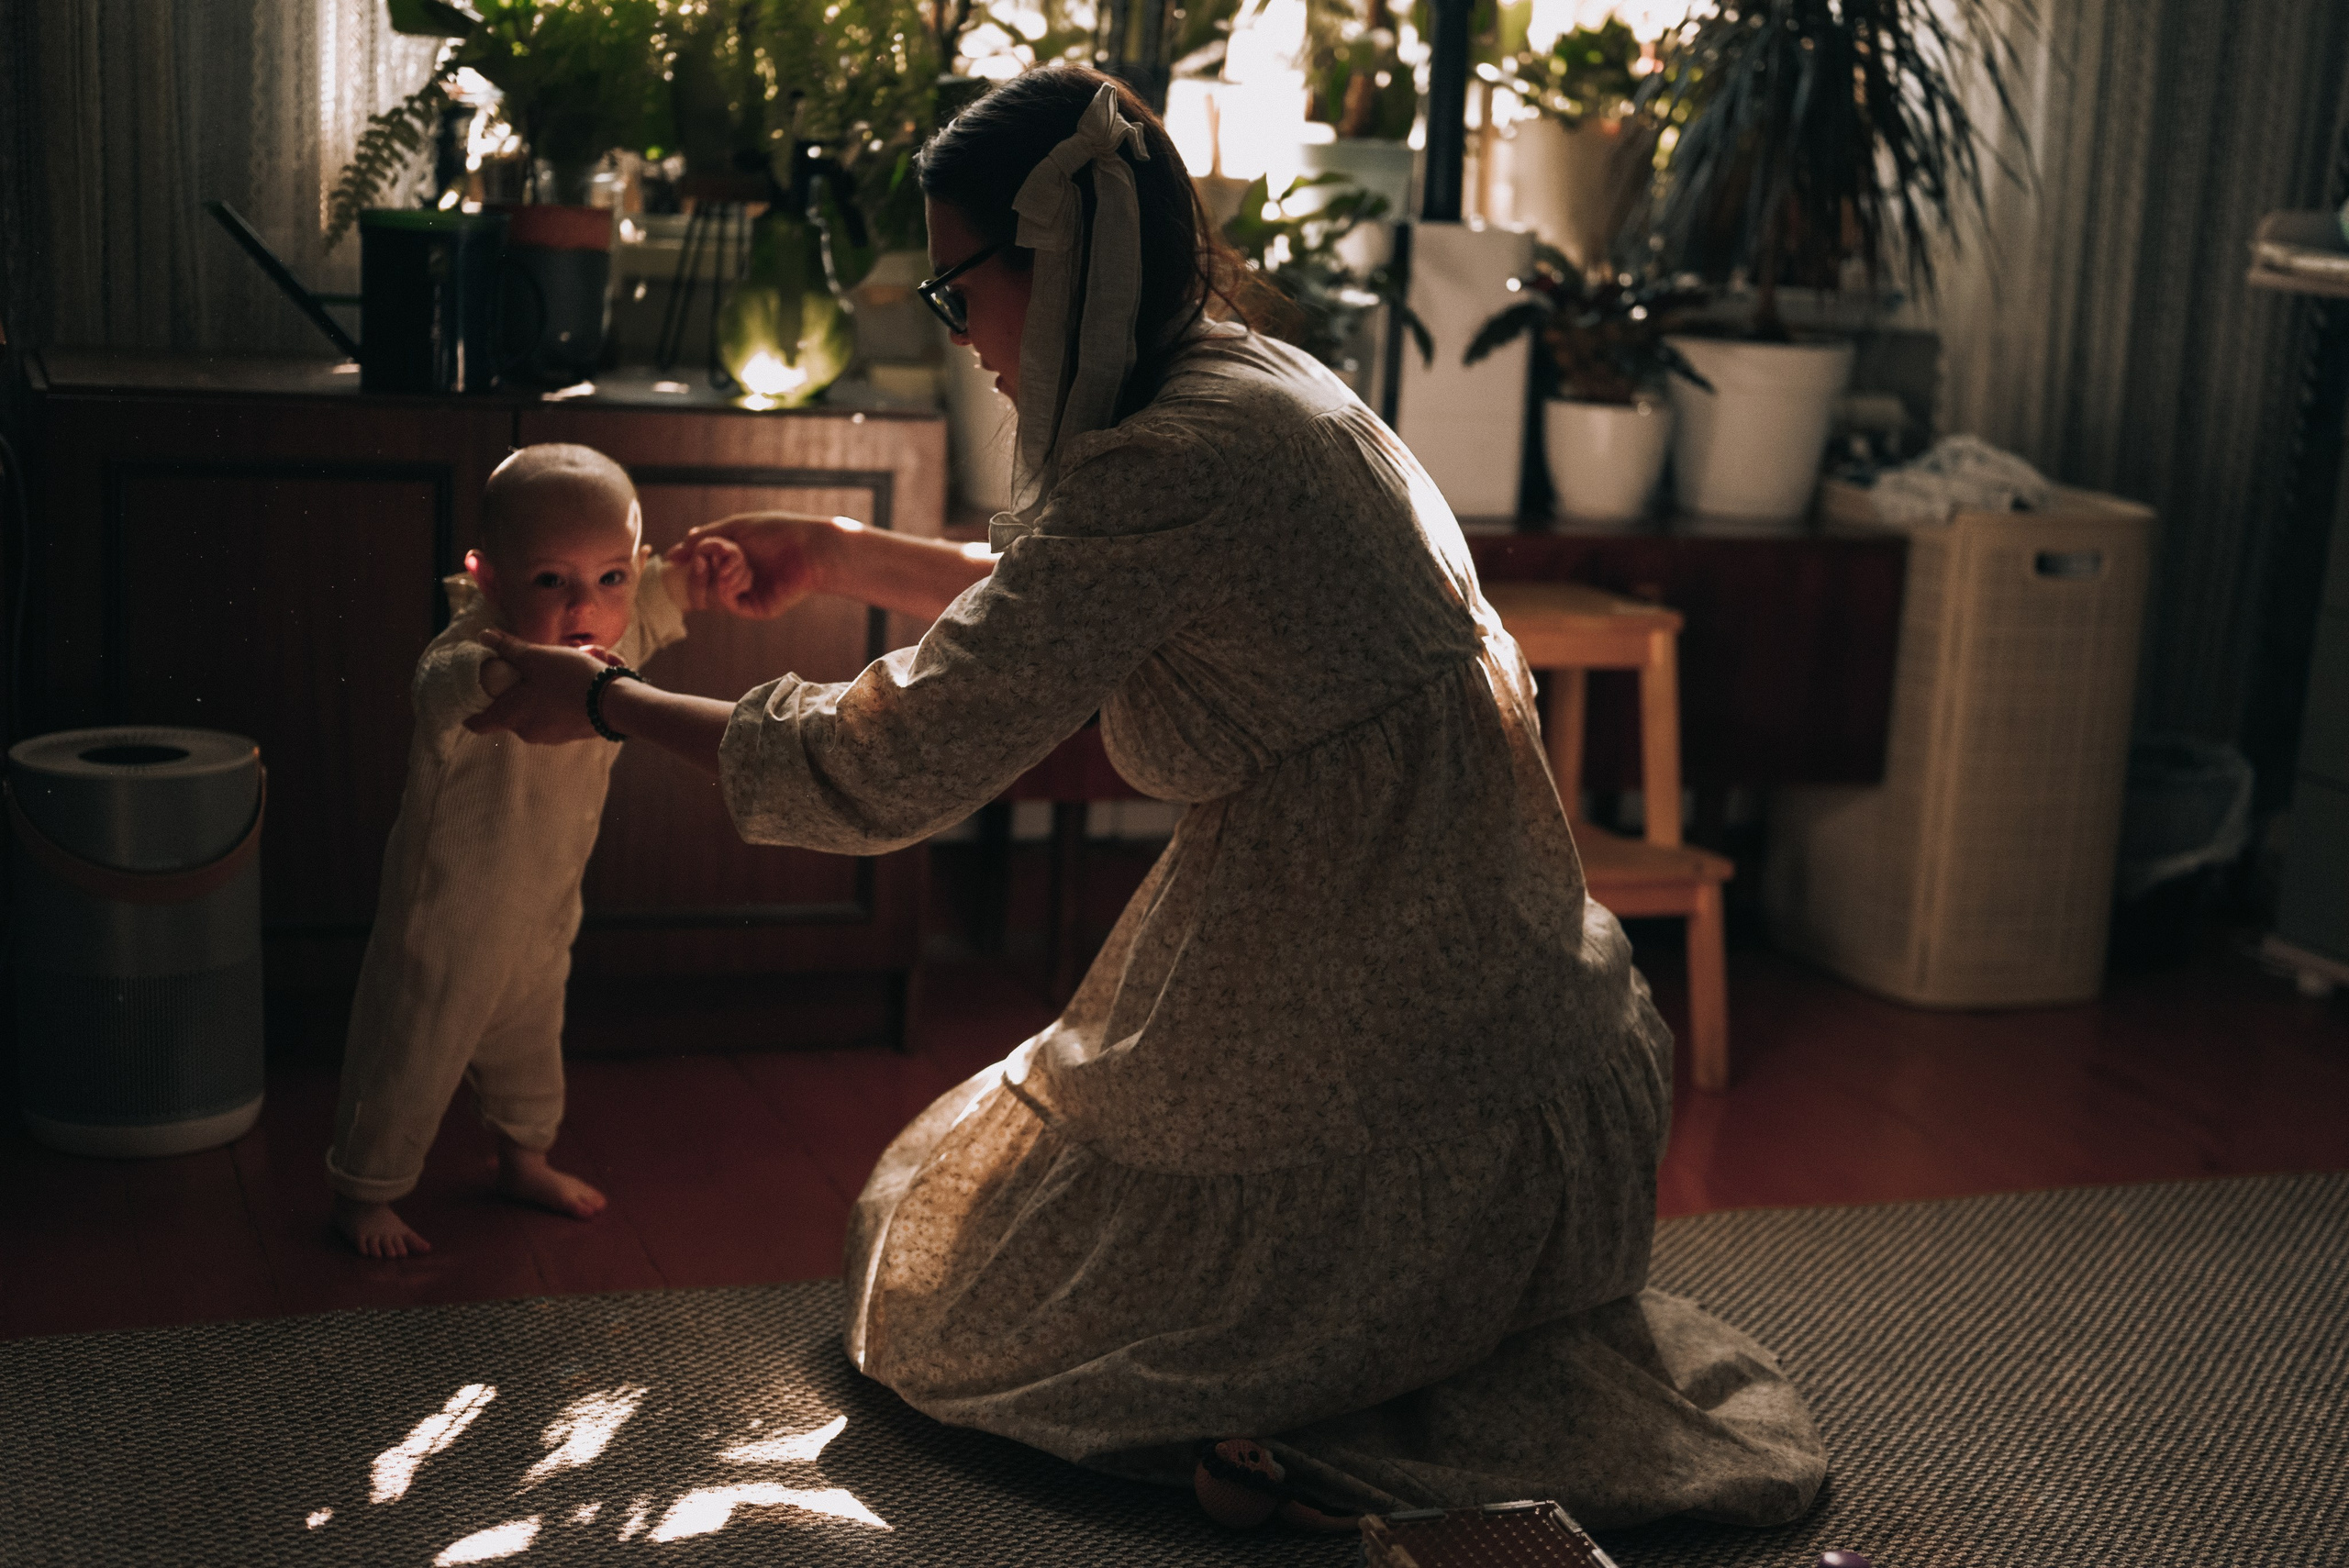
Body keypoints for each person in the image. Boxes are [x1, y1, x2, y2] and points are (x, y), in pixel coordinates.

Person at [467, 67, 1828, 1531]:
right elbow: (1099, 609)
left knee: (950, 1291)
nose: (964, 334)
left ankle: (1342, 1386)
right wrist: (845, 553)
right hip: (1490, 975)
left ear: (1049, 267)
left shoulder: (1167, 456)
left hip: (1374, 961)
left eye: (958, 292)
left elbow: (885, 766)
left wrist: (601, 702)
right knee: (973, 1192)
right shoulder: (1244, 376)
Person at [328, 443, 748, 1259]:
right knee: (411, 1051)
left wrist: (706, 572)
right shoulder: (474, 653)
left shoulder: (610, 641)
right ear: (487, 577)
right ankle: (363, 1189)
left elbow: (662, 593)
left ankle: (523, 1158)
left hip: (544, 907)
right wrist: (506, 674)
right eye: (551, 580)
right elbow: (441, 682)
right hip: (445, 923)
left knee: (530, 1041)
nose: (585, 604)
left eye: (610, 578)